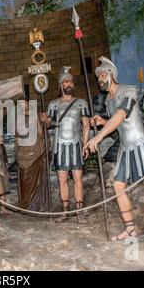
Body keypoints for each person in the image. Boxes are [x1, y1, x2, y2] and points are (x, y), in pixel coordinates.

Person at [84, 57, 144, 241]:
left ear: (112, 74)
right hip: (125, 146)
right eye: (98, 77)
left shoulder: (129, 90)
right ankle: (130, 229)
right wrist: (103, 123)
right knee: (118, 186)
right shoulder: (108, 100)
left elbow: (122, 115)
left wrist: (99, 135)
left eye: (102, 75)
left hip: (140, 143)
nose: (100, 80)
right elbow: (117, 131)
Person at [40, 67, 90, 223]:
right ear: (60, 85)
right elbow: (48, 124)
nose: (69, 84)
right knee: (62, 179)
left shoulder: (81, 103)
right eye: (66, 81)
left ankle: (79, 211)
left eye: (71, 81)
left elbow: (86, 125)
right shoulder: (53, 104)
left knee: (78, 177)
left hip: (75, 144)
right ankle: (65, 211)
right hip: (59, 145)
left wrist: (86, 144)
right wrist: (44, 119)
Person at [16, 100, 51, 211]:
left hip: (37, 150)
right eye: (20, 103)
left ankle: (36, 205)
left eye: (25, 102)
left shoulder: (37, 114)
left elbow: (43, 131)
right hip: (24, 152)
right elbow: (17, 136)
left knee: (39, 178)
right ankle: (24, 203)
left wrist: (46, 121)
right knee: (24, 178)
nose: (23, 105)